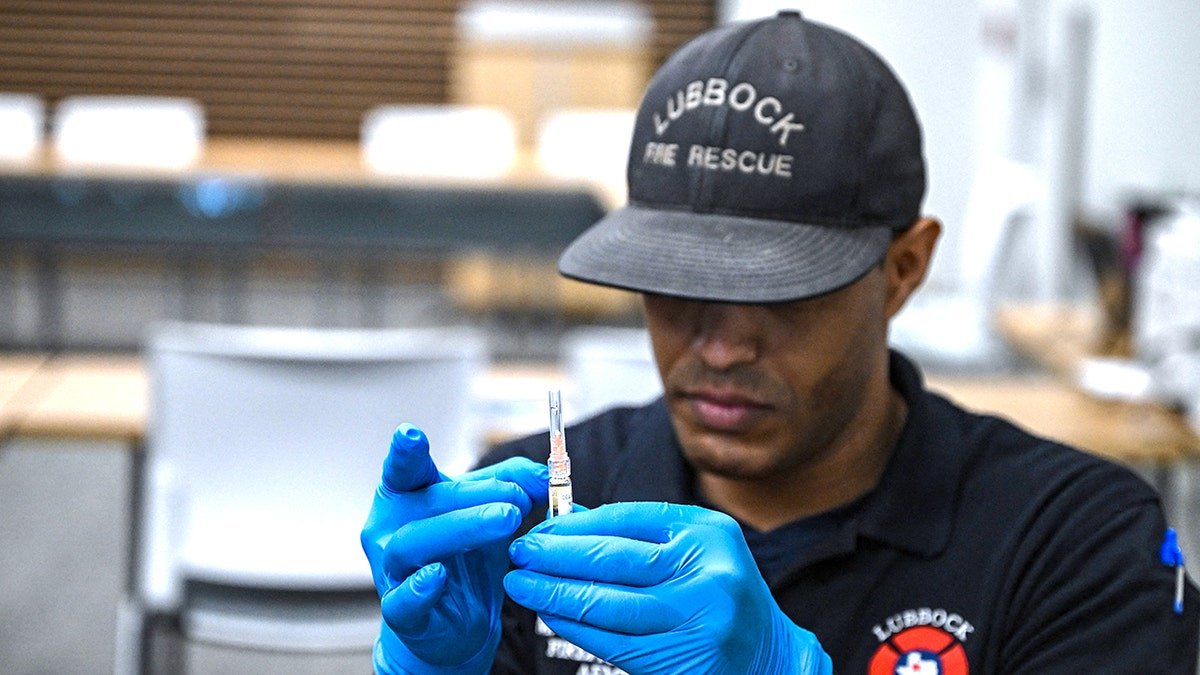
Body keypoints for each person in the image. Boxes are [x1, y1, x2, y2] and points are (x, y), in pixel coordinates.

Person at [361, 10, 1200, 674]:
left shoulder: (1069, 543)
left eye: (781, 293)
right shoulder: (534, 517)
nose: (719, 348)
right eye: (679, 283)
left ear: (904, 268)